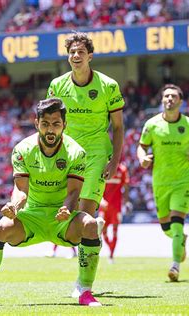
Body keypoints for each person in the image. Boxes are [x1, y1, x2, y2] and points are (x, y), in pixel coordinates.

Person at [0, 98, 102, 307]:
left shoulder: (76, 152)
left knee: (91, 225)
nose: (50, 130)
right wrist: (14, 206)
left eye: (56, 124)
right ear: (36, 123)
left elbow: (74, 191)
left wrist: (67, 208)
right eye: (45, 124)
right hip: (31, 218)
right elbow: (21, 189)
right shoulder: (23, 149)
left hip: (62, 219)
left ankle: (85, 291)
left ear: (64, 125)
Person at [47, 32, 124, 294]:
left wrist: (115, 161)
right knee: (76, 221)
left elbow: (118, 127)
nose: (76, 56)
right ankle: (89, 242)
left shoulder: (109, 86)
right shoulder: (57, 85)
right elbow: (49, 123)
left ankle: (82, 285)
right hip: (67, 156)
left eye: (81, 52)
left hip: (96, 154)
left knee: (86, 214)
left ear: (90, 56)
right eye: (72, 52)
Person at [137, 84, 189, 282]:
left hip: (183, 181)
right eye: (166, 96)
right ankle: (181, 240)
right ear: (162, 100)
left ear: (180, 101)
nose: (169, 99)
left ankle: (175, 265)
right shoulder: (152, 125)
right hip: (160, 182)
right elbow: (141, 146)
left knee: (176, 224)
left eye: (173, 96)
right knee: (167, 229)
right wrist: (142, 158)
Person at [99, 162, 130, 263]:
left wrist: (126, 202)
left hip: (116, 206)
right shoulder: (104, 168)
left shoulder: (122, 170)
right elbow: (98, 186)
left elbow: (125, 187)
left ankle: (111, 254)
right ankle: (110, 248)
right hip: (104, 206)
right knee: (103, 231)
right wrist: (100, 200)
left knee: (115, 231)